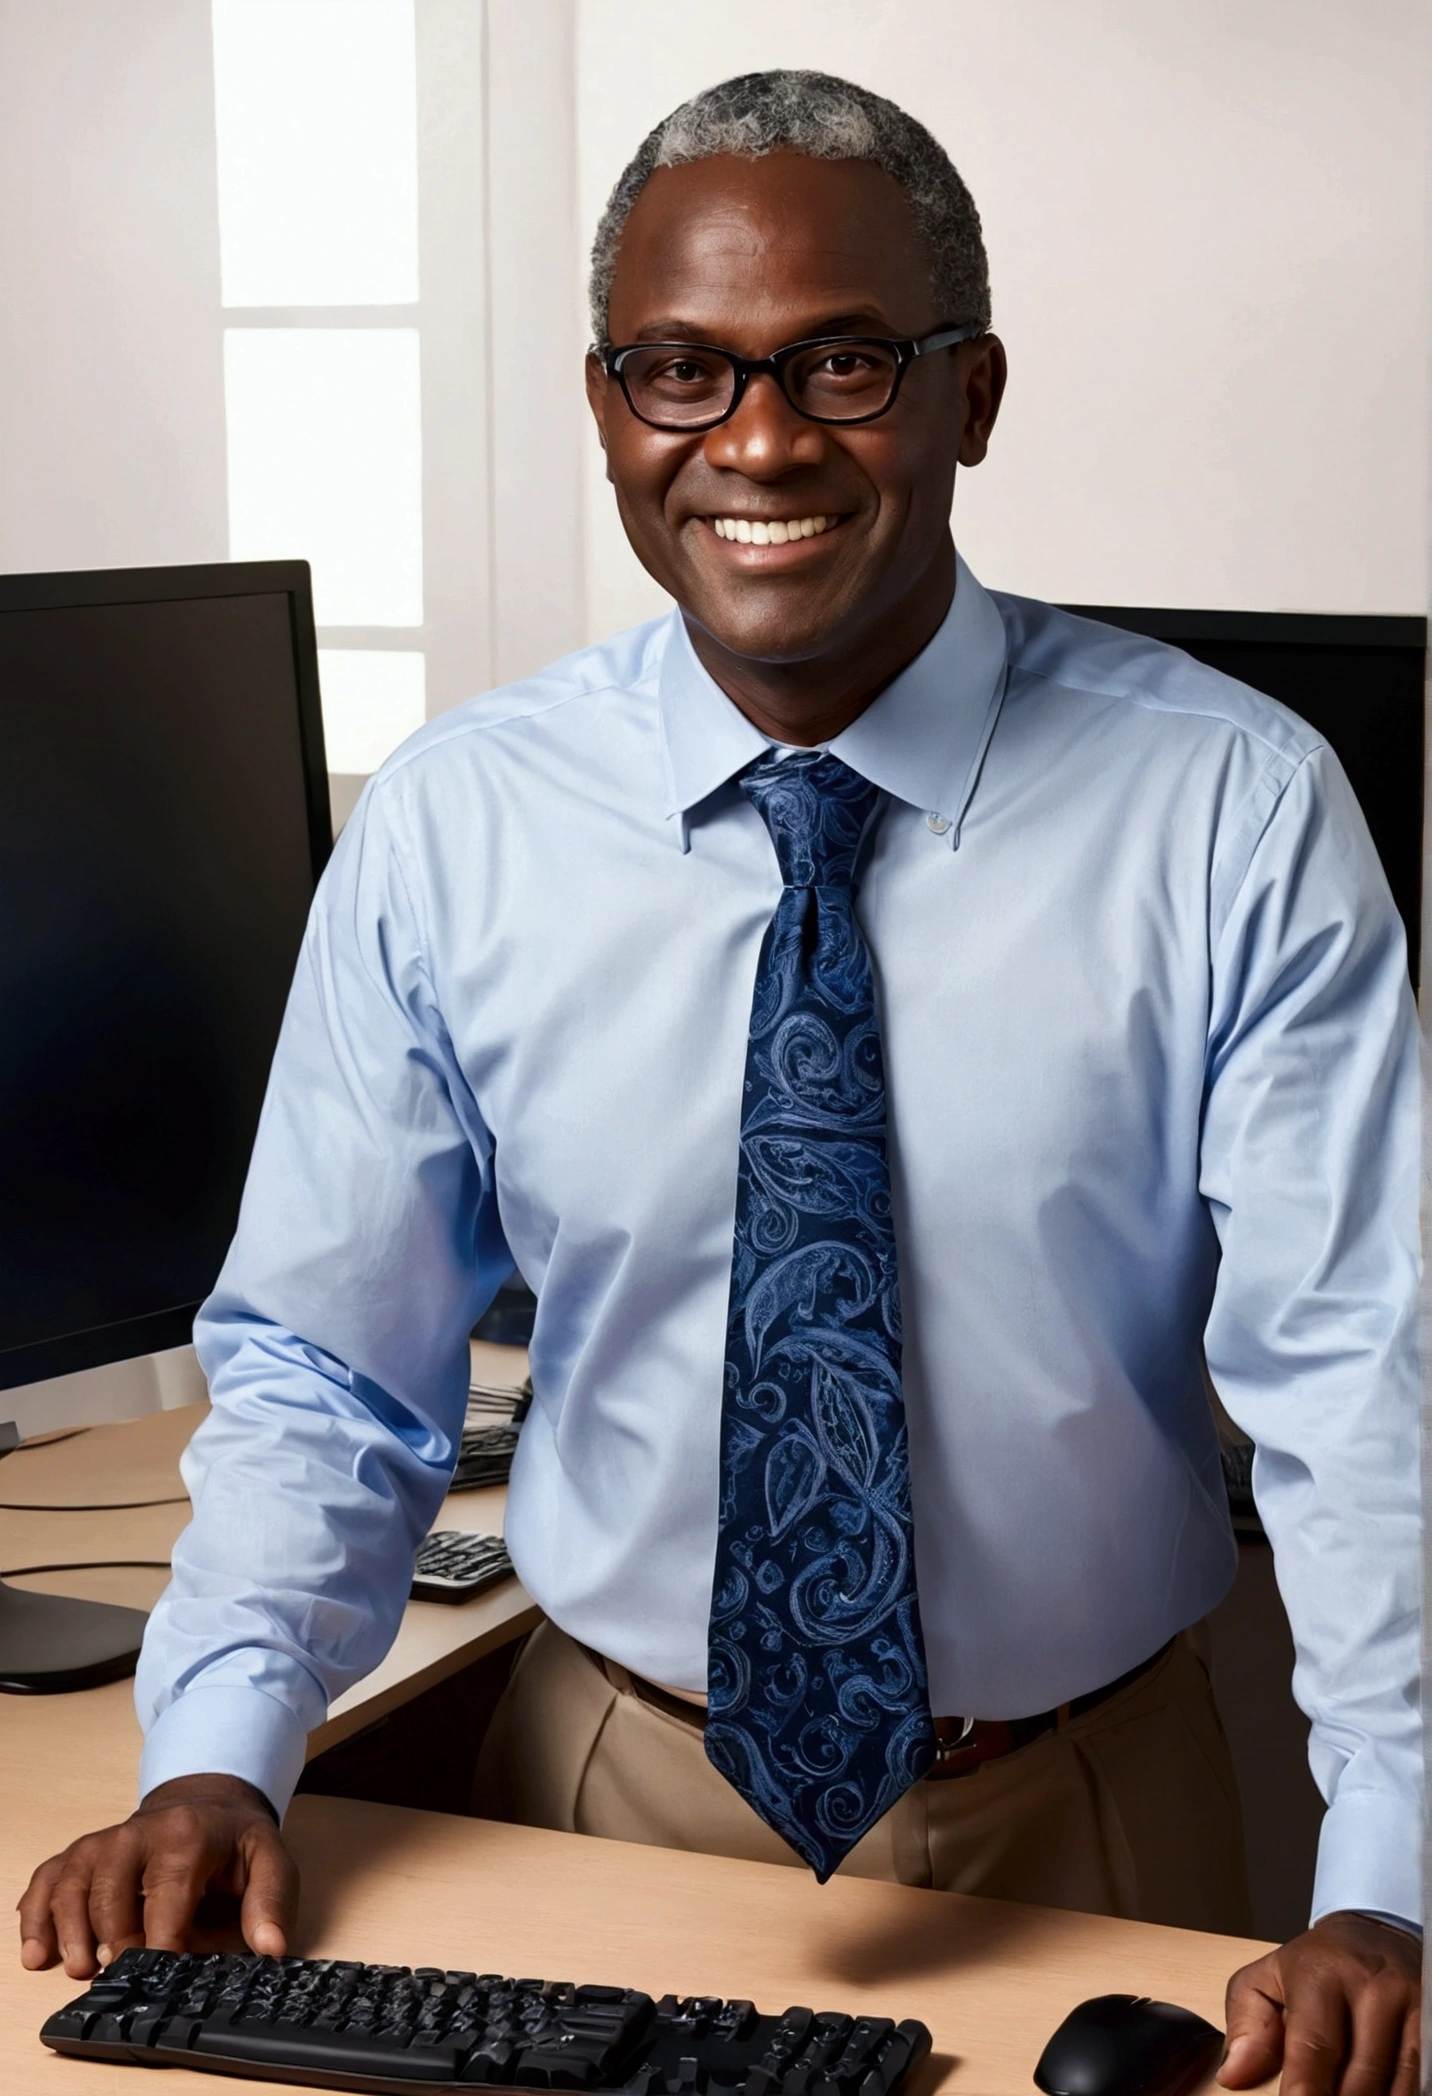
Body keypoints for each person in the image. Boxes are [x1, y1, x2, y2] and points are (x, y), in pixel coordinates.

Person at [19, 69, 1420, 2096]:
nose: (755, 440)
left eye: (840, 362)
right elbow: (333, 1366)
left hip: (1086, 1808)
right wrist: (218, 1752)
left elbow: (1362, 1377)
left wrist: (1384, 1875)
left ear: (971, 395)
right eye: (678, 370)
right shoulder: (455, 829)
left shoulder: (1229, 813)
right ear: (606, 410)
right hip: (597, 1779)